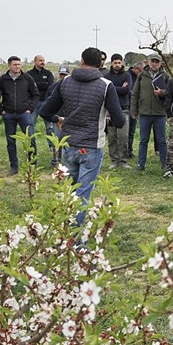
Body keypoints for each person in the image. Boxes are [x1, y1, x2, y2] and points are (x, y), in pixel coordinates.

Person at [37, 46, 125, 226]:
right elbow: (119, 121)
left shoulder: (65, 82)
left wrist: (58, 119)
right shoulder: (106, 86)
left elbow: (45, 111)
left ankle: (64, 229)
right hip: (91, 146)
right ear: (101, 64)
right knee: (83, 193)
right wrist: (107, 120)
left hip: (69, 144)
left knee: (69, 191)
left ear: (82, 61)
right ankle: (76, 237)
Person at [0, 56, 40, 175]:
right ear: (9, 65)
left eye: (19, 64)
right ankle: (14, 167)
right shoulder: (2, 80)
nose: (17, 67)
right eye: (15, 65)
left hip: (24, 114)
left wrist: (30, 109)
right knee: (11, 141)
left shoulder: (27, 78)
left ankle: (32, 165)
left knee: (30, 139)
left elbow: (36, 95)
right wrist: (1, 110)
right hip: (9, 114)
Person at [130, 52, 169, 172]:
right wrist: (134, 110)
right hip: (145, 113)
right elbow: (135, 94)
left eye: (157, 61)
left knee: (162, 141)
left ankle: (164, 164)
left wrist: (162, 92)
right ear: (148, 62)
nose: (154, 64)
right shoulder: (142, 75)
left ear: (160, 63)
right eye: (153, 61)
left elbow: (171, 93)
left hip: (160, 113)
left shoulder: (165, 76)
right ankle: (141, 165)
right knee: (143, 140)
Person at [100, 54, 133, 169]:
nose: (117, 65)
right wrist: (119, 88)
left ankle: (124, 161)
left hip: (123, 109)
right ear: (112, 63)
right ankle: (114, 160)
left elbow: (127, 90)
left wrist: (112, 87)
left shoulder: (127, 75)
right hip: (110, 111)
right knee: (112, 137)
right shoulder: (107, 76)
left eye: (119, 63)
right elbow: (105, 91)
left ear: (122, 63)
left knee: (123, 137)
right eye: (115, 63)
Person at [27, 55, 58, 163]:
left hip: (46, 102)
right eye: (40, 60)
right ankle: (31, 147)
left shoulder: (48, 73)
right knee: (31, 124)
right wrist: (41, 85)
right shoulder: (29, 74)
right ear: (35, 61)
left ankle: (52, 146)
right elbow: (30, 87)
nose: (42, 62)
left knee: (49, 126)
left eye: (43, 60)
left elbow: (50, 86)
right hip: (33, 102)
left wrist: (37, 84)